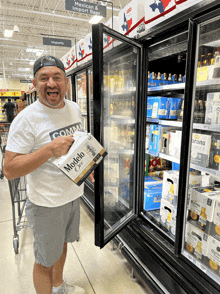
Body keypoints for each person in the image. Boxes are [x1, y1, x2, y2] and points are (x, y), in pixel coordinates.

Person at [4, 55, 94, 294]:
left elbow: (78, 145)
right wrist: (48, 150)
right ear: (35, 84)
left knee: (62, 246)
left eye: (57, 77)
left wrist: (88, 167)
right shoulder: (25, 120)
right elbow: (9, 169)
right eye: (44, 78)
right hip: (46, 203)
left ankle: (58, 286)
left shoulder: (74, 108)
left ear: (66, 81)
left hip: (73, 195)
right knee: (44, 260)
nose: (51, 83)